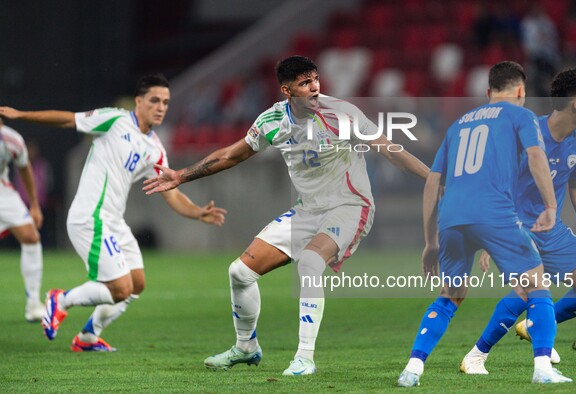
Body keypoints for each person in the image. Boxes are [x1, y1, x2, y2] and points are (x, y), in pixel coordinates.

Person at [143, 56, 429, 375]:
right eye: (305, 83)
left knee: (309, 262)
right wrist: (182, 175)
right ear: (287, 90)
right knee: (239, 272)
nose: (315, 87)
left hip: (350, 206)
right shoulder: (272, 121)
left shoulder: (343, 114)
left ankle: (304, 358)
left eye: (315, 79)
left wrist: (432, 179)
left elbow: (389, 148)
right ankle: (246, 347)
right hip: (308, 211)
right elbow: (230, 155)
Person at [0, 74, 227, 352]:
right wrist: (22, 115)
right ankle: (60, 299)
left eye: (165, 102)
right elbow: (67, 119)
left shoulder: (155, 148)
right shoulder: (115, 120)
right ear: (138, 101)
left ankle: (87, 338)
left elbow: (172, 192)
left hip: (113, 221)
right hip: (90, 217)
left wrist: (197, 213)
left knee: (136, 285)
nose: (160, 107)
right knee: (119, 288)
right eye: (154, 100)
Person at [397, 61, 568, 387]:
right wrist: (550, 205)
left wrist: (430, 241)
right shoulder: (522, 116)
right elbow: (535, 157)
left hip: (451, 218)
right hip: (495, 213)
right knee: (536, 285)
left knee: (450, 296)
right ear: (520, 90)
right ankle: (543, 369)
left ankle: (413, 368)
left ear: (488, 92)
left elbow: (433, 183)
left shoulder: (457, 124)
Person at [460, 67, 576, 374]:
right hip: (515, 228)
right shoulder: (526, 134)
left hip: (552, 230)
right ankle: (477, 355)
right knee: (528, 290)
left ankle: (535, 325)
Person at [0, 118, 45, 322]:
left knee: (30, 236)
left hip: (3, 193)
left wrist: (34, 205)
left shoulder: (12, 140)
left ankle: (34, 304)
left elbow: (24, 167)